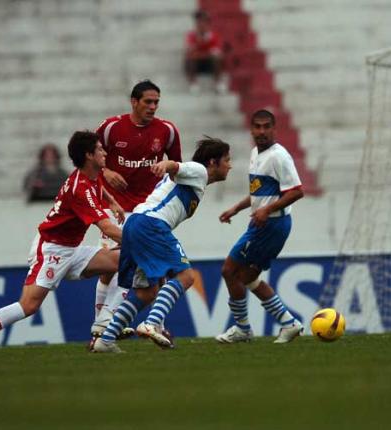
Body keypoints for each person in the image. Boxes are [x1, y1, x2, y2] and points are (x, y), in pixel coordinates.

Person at [0, 131, 125, 358]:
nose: (104, 152)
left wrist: (113, 202)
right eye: (100, 149)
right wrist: (140, 241)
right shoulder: (79, 188)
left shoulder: (92, 173)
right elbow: (107, 228)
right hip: (51, 249)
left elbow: (99, 186)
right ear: (88, 155)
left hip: (72, 248)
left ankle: (102, 325)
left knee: (123, 260)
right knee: (28, 306)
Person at [92, 137, 232, 353]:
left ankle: (106, 340)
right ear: (213, 162)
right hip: (151, 224)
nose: (230, 166)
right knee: (186, 277)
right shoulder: (199, 171)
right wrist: (164, 164)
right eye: (227, 160)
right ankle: (152, 323)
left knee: (146, 292)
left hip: (137, 223)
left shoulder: (195, 179)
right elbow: (175, 167)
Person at [90, 80, 182, 342]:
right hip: (115, 208)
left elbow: (178, 167)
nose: (152, 107)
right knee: (110, 267)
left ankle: (154, 325)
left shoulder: (167, 131)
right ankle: (100, 325)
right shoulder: (110, 128)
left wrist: (166, 168)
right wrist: (107, 171)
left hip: (149, 211)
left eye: (156, 102)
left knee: (154, 267)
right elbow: (90, 160)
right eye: (147, 102)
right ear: (134, 102)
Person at [215, 109, 305, 344]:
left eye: (266, 127)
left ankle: (243, 328)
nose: (262, 131)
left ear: (274, 129)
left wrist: (266, 210)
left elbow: (297, 191)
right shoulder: (256, 153)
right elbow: (260, 193)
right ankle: (289, 323)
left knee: (229, 271)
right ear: (251, 129)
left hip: (272, 225)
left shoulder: (279, 157)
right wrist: (237, 208)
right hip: (262, 223)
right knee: (247, 276)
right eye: (257, 126)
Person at [184, 10, 225, 94]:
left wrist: (201, 52)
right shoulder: (191, 36)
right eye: (199, 22)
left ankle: (218, 83)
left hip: (209, 64)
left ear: (207, 24)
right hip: (196, 64)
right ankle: (193, 84)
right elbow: (190, 52)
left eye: (203, 22)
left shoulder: (214, 36)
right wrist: (200, 44)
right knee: (190, 59)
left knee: (217, 59)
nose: (201, 25)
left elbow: (217, 52)